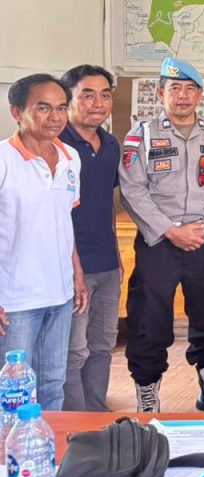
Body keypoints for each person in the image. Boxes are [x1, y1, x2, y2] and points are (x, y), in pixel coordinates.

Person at [119, 57, 204, 413]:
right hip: (159, 241)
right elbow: (132, 189)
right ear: (161, 94)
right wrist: (170, 230)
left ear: (201, 95)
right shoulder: (141, 135)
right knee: (148, 318)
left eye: (190, 89)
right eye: (175, 88)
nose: (183, 96)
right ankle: (147, 389)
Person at [0, 74, 88, 410]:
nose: (55, 116)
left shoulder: (70, 158)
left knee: (53, 383)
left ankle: (47, 443)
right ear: (16, 112)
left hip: (60, 294)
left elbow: (64, 221)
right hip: (15, 299)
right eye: (43, 108)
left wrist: (77, 274)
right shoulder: (3, 159)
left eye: (61, 108)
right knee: (13, 391)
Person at [59, 65, 122, 412]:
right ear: (68, 99)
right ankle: (74, 420)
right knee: (74, 350)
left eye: (104, 95)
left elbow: (105, 204)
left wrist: (117, 256)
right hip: (71, 267)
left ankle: (96, 414)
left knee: (102, 344)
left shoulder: (111, 145)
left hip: (107, 264)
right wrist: (76, 270)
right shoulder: (57, 145)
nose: (98, 103)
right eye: (87, 95)